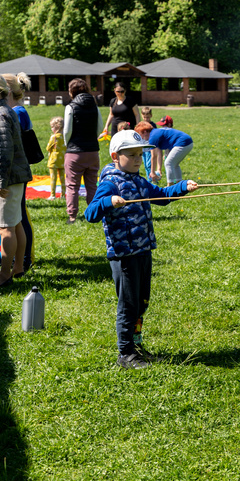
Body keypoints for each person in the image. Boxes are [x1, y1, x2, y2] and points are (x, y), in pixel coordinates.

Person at [85, 130, 198, 369]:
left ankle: (136, 346)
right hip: (124, 256)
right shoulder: (110, 183)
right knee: (128, 304)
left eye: (140, 154)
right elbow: (90, 213)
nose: (138, 159)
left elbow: (161, 196)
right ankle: (125, 354)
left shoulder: (139, 181)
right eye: (132, 155)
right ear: (115, 156)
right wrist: (108, 201)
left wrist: (181, 187)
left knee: (141, 302)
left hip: (144, 251)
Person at [0, 71, 32, 289]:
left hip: (6, 180)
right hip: (10, 178)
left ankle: (4, 276)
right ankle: (18, 267)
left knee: (6, 229)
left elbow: (5, 152)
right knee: (14, 224)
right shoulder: (1, 111)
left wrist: (1, 183)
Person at [3, 72, 37, 273]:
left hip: (17, 170)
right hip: (16, 169)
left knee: (20, 216)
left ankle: (26, 258)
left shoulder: (18, 112)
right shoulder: (16, 110)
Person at [63, 78, 105, 224]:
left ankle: (72, 216)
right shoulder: (95, 106)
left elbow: (67, 130)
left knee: (72, 186)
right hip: (93, 151)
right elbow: (100, 128)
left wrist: (66, 144)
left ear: (71, 91)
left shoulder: (71, 107)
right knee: (92, 185)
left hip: (74, 152)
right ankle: (94, 214)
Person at [135, 121, 193, 185]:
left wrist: (152, 172)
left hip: (183, 142)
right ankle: (179, 183)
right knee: (174, 164)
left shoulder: (152, 137)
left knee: (168, 163)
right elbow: (159, 153)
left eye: (140, 134)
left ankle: (170, 185)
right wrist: (158, 169)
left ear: (145, 132)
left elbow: (154, 156)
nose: (141, 138)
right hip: (188, 142)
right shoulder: (155, 133)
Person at [46, 117, 66, 201]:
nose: (51, 128)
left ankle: (53, 195)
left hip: (53, 161)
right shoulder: (65, 137)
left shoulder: (54, 137)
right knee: (63, 179)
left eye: (52, 127)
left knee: (53, 178)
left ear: (57, 127)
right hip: (62, 160)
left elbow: (48, 147)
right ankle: (63, 194)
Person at [139, 107, 157, 180]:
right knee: (146, 165)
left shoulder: (152, 125)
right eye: (144, 117)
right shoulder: (141, 124)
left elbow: (155, 135)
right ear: (142, 116)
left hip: (150, 148)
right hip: (143, 147)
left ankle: (153, 179)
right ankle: (149, 179)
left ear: (151, 116)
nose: (146, 119)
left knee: (149, 164)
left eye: (148, 117)